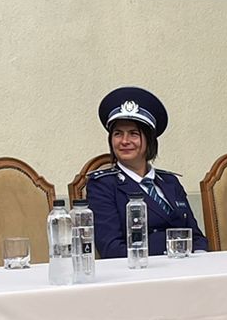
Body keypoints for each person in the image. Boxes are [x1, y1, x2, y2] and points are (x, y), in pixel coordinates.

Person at [85, 87, 209, 258]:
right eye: (118, 134)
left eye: (134, 134)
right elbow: (112, 248)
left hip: (185, 267)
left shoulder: (169, 182)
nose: (125, 141)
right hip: (139, 270)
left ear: (150, 140)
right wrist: (174, 246)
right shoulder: (102, 185)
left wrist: (200, 259)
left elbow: (197, 237)